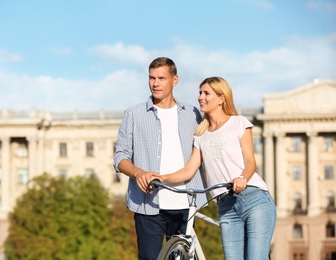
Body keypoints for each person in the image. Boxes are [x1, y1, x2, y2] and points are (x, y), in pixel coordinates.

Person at [145, 76, 277, 260]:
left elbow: (250, 162)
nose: (201, 97)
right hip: (226, 206)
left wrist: (242, 178)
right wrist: (161, 178)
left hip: (254, 200)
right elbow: (189, 170)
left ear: (222, 98)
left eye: (207, 93)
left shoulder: (238, 123)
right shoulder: (201, 134)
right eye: (200, 92)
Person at [113, 57, 208, 260]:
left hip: (185, 203)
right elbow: (120, 156)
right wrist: (138, 173)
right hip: (148, 204)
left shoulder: (192, 114)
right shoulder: (134, 114)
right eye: (151, 78)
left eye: (161, 78)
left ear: (175, 80)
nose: (155, 83)